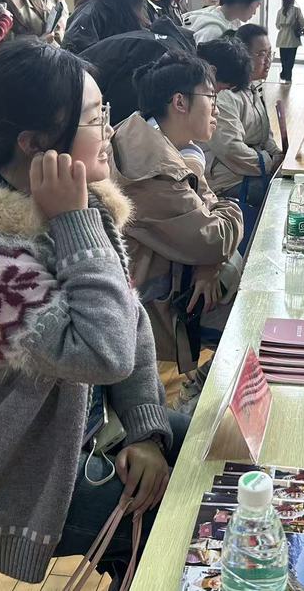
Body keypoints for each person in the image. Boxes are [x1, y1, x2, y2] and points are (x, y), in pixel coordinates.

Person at [0, 39, 187, 585]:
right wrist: (77, 224)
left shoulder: (66, 211)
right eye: (95, 118)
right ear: (34, 144)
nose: (109, 130)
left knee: (202, 451)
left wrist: (145, 432)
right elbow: (104, 353)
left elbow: (129, 320)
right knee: (180, 516)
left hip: (64, 439)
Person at [111, 51, 244, 375]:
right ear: (180, 102)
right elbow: (213, 239)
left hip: (168, 277)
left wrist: (209, 260)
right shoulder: (155, 172)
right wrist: (230, 211)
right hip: (158, 307)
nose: (216, 108)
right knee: (252, 309)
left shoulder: (139, 131)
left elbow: (204, 218)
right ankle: (201, 385)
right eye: (211, 97)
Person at [200, 24, 282, 204]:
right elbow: (230, 148)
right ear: (244, 55)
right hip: (228, 179)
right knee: (281, 196)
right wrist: (270, 163)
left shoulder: (252, 89)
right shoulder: (224, 94)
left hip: (250, 170)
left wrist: (278, 156)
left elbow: (265, 136)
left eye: (270, 53)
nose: (268, 61)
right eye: (261, 54)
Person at [183, 0, 264, 44]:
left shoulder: (232, 21)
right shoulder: (213, 31)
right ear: (243, 1)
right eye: (256, 6)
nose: (254, 12)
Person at [275, 0, 304, 84]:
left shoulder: (280, 11)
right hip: (292, 37)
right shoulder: (296, 10)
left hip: (282, 36)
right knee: (291, 59)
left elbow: (277, 25)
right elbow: (302, 22)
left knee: (283, 58)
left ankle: (284, 73)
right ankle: (288, 77)